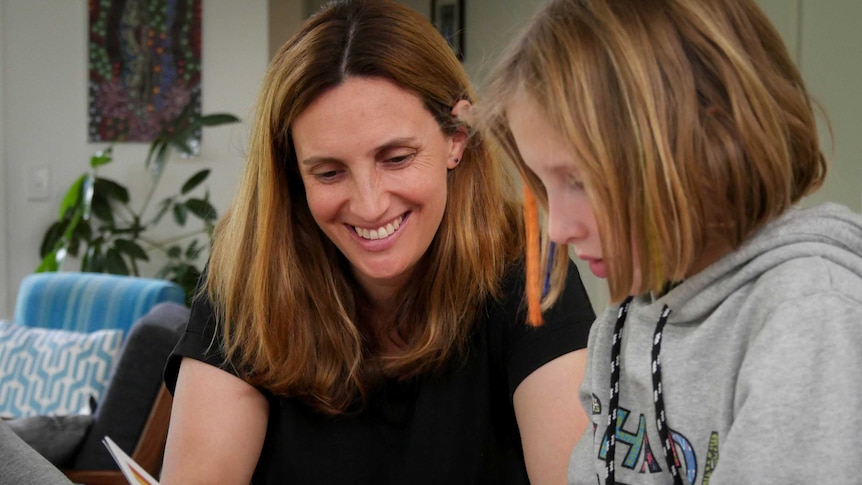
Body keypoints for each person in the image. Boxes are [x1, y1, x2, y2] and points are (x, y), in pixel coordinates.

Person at [160, 1, 595, 484]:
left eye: (396, 158)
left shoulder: (529, 268)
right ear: (291, 173)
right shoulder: (247, 278)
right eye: (328, 172)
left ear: (456, 137)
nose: (368, 206)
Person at [480, 0, 862, 483]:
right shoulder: (622, 325)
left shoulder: (810, 316)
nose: (557, 229)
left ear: (708, 144)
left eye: (578, 180)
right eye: (543, 183)